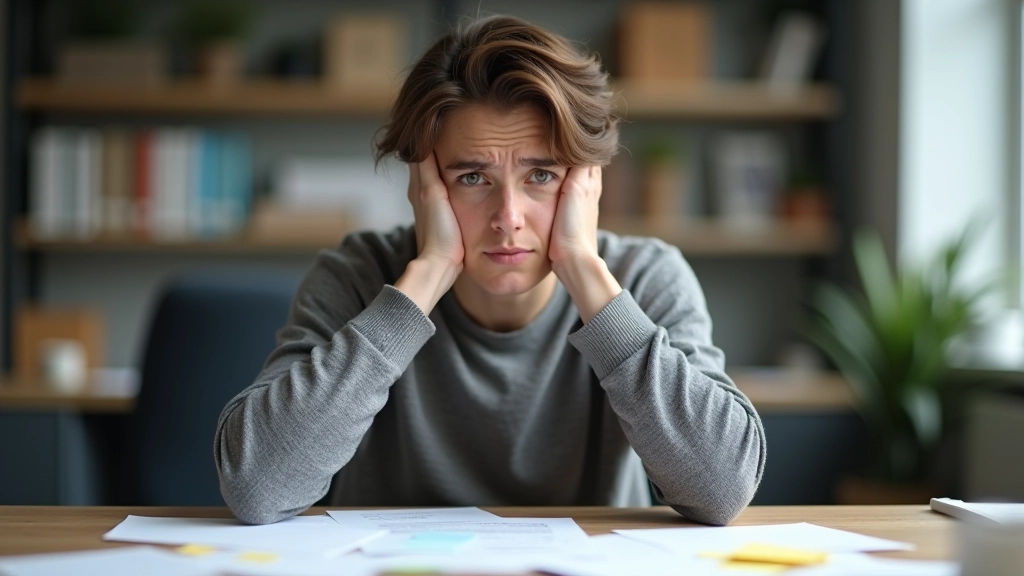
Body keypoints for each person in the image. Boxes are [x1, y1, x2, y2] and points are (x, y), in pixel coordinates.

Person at [215, 14, 765, 526]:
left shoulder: (644, 277)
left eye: (542, 176)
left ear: (587, 181)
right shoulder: (359, 274)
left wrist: (582, 269)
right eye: (472, 178)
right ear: (424, 185)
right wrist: (428, 274)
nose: (508, 219)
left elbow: (721, 490)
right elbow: (258, 487)